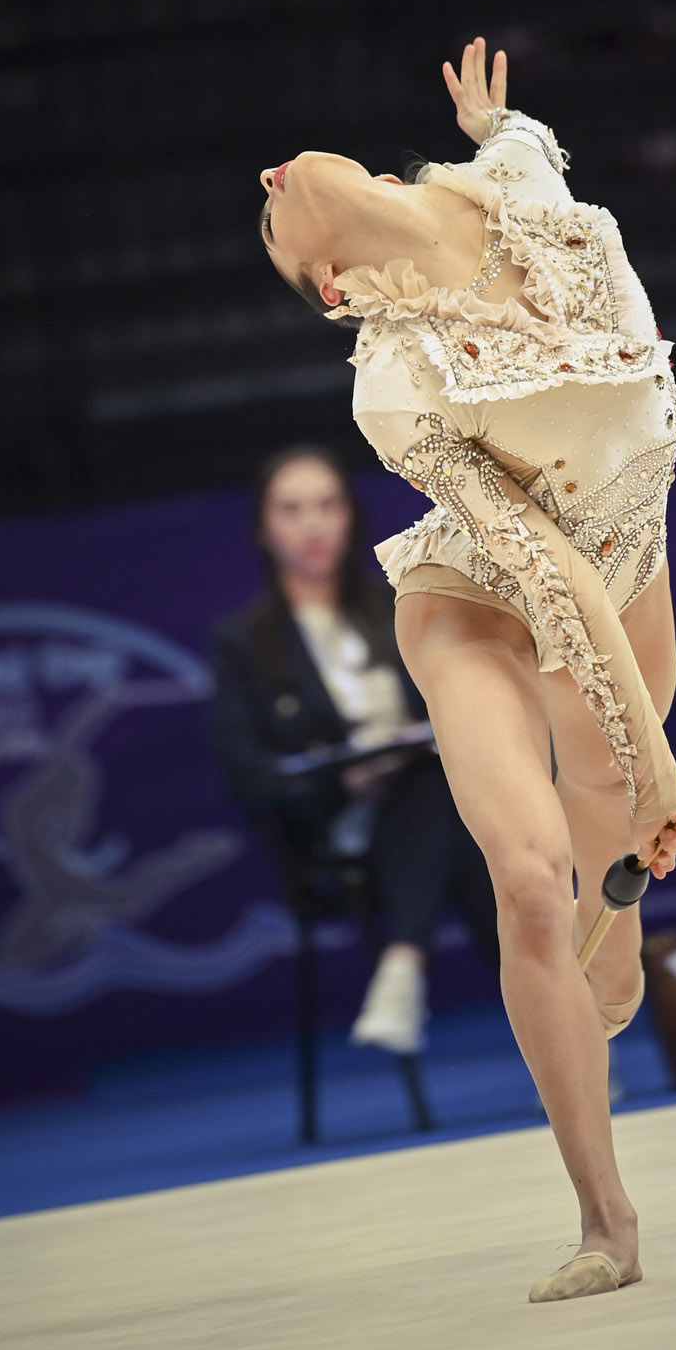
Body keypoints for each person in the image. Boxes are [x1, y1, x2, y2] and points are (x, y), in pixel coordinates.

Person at [255, 38, 676, 1303]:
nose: (271, 177)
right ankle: (606, 1222)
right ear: (333, 285)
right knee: (534, 889)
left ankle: (614, 933)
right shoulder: (397, 381)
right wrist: (658, 767)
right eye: (269, 219)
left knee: (608, 910)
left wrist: (498, 126)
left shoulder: (504, 189)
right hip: (487, 596)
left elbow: (527, 150)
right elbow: (545, 576)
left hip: (630, 557)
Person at [209, 445, 500, 1056]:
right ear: (262, 528)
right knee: (482, 840)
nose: (312, 525)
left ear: (350, 515)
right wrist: (342, 780)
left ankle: (403, 963)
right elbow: (246, 772)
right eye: (291, 510)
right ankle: (569, 1034)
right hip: (337, 827)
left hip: (435, 796)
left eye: (327, 505)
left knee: (443, 796)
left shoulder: (400, 603)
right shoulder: (243, 643)